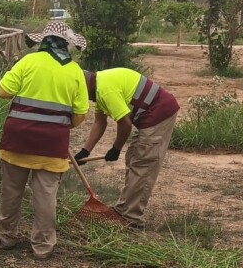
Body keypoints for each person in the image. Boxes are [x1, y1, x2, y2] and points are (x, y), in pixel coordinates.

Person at [0, 21, 89, 259]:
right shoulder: (75, 71)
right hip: (52, 144)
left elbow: (3, 92)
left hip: (18, 140)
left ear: (42, 41)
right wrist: (59, 124)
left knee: (11, 191)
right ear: (67, 44)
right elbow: (79, 115)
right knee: (46, 196)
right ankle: (43, 246)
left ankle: (6, 237)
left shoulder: (28, 61)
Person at [75, 67, 180, 229]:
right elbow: (99, 122)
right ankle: (123, 209)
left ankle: (132, 219)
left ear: (84, 86)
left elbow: (125, 123)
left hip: (159, 113)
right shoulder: (99, 86)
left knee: (143, 162)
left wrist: (116, 148)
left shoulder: (105, 90)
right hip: (148, 115)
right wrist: (85, 151)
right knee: (133, 158)